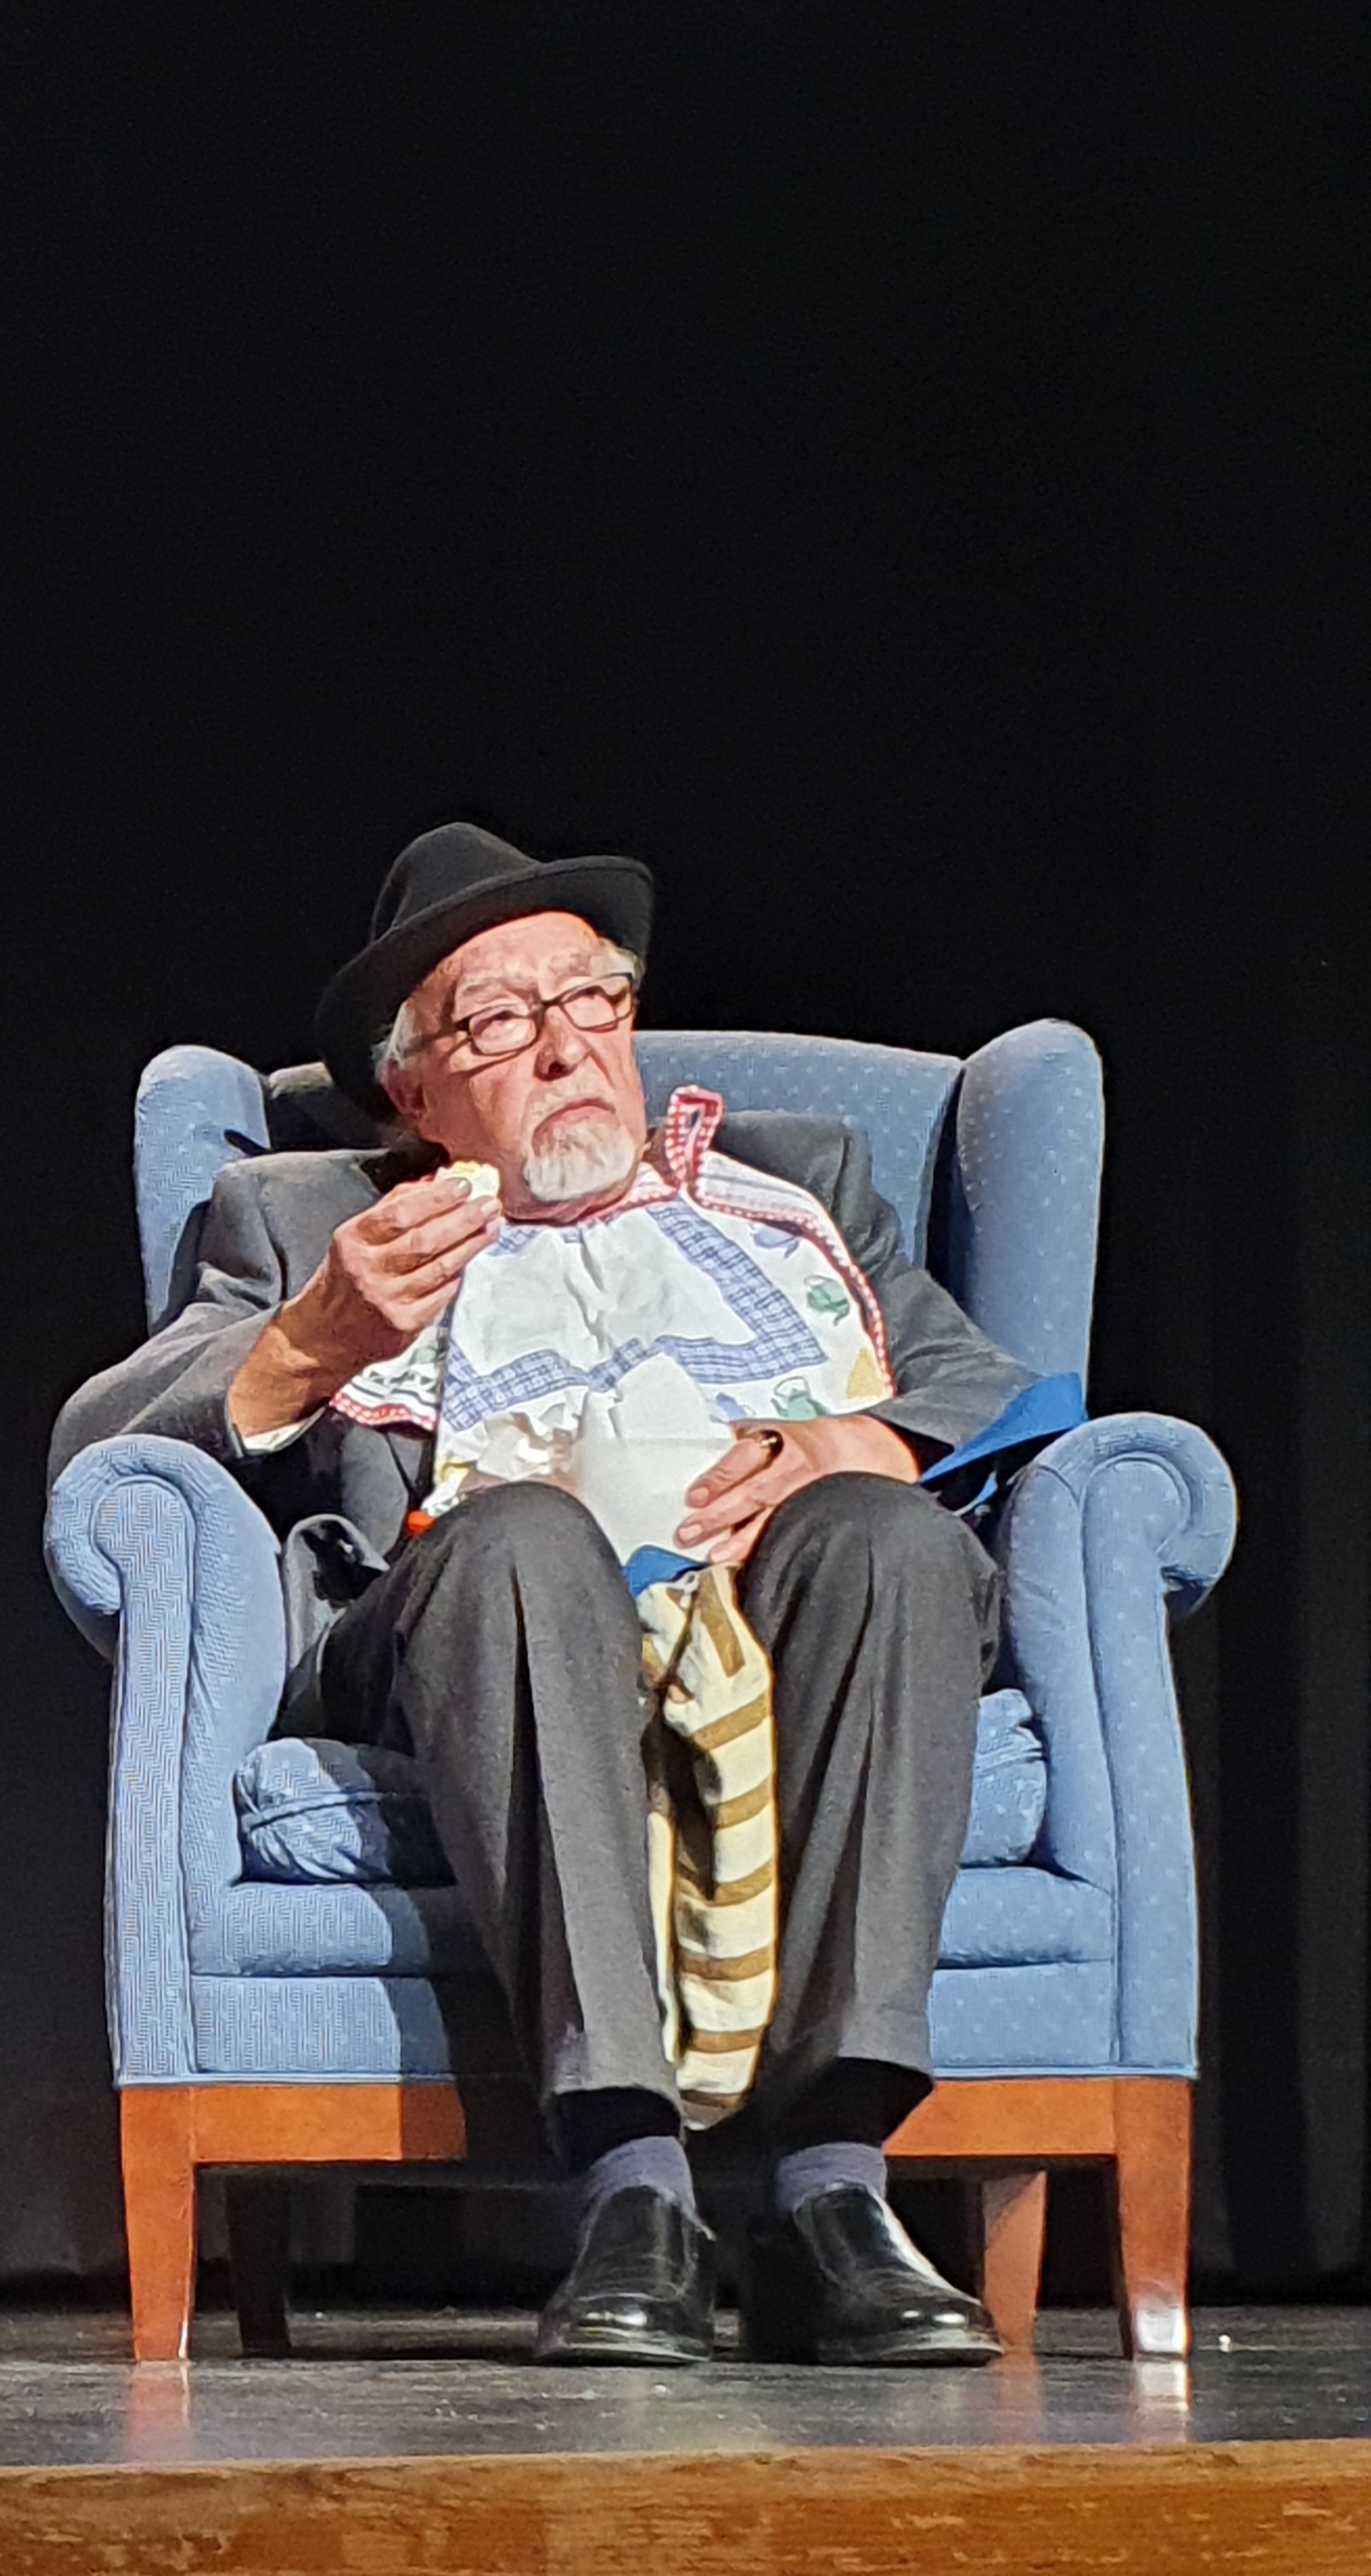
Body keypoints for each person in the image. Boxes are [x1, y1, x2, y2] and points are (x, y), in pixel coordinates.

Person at [52, 820, 1039, 2367]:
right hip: (478, 1619)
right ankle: (633, 2192)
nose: (568, 1047)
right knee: (522, 1535)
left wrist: (854, 1437)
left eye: (591, 998)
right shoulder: (305, 1216)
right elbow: (97, 1448)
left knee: (888, 1532)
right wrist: (313, 1339)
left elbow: (986, 1387)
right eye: (501, 1021)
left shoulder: (793, 1187)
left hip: (780, 1605)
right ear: (415, 1092)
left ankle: (834, 2197)